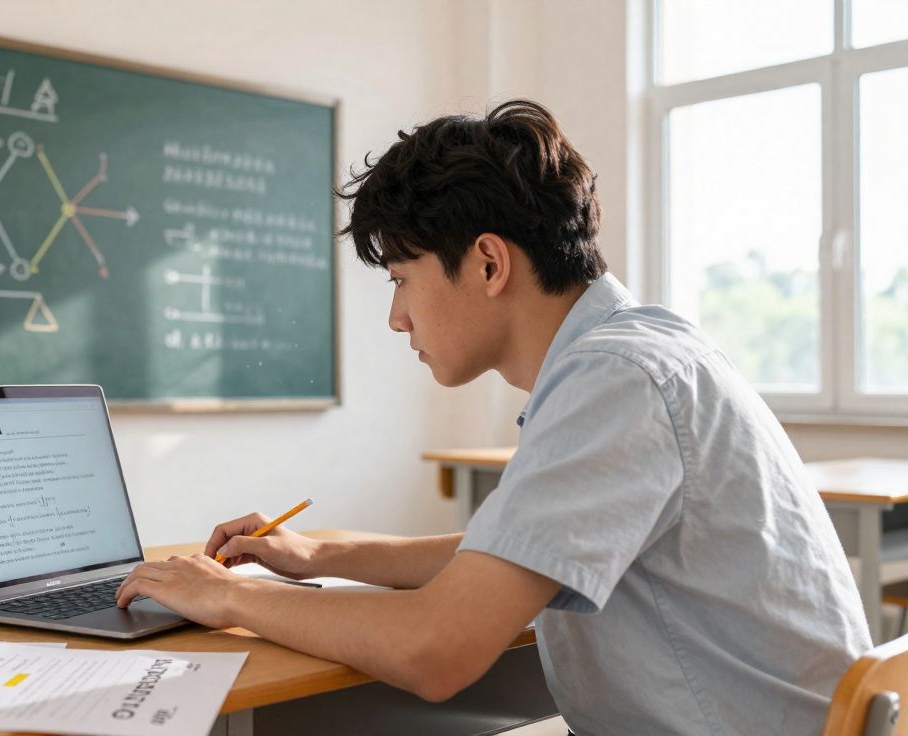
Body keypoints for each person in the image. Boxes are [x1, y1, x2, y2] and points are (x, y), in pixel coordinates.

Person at [115, 99, 869, 734]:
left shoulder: (617, 377)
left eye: (403, 279)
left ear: (487, 263)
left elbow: (437, 650)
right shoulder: (639, 346)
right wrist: (318, 560)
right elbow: (510, 544)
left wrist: (225, 594)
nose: (397, 318)